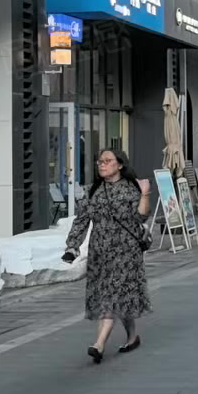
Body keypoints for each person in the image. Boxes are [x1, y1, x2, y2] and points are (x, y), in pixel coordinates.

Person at [62, 150, 153, 363]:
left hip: (126, 252)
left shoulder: (131, 188)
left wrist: (145, 194)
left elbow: (141, 217)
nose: (102, 164)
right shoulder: (92, 191)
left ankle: (99, 344)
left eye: (107, 161)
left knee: (111, 298)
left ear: (119, 165)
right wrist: (72, 247)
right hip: (100, 254)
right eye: (100, 161)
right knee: (117, 297)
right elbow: (81, 221)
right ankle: (132, 337)